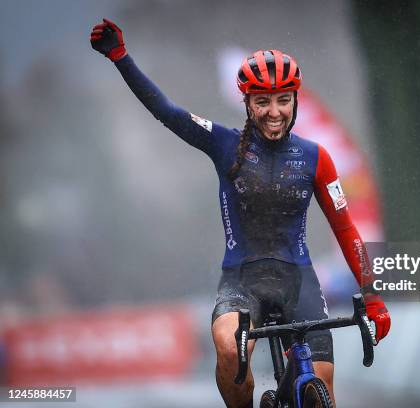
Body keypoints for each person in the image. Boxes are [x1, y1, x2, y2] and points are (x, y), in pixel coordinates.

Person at [90, 18, 390, 407]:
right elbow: (167, 111)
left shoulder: (317, 158)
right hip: (241, 281)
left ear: (295, 100)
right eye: (262, 101)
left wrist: (371, 294)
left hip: (298, 278)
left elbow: (347, 230)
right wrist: (120, 58)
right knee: (230, 351)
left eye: (283, 100)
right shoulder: (224, 144)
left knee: (321, 390)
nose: (274, 111)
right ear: (247, 103)